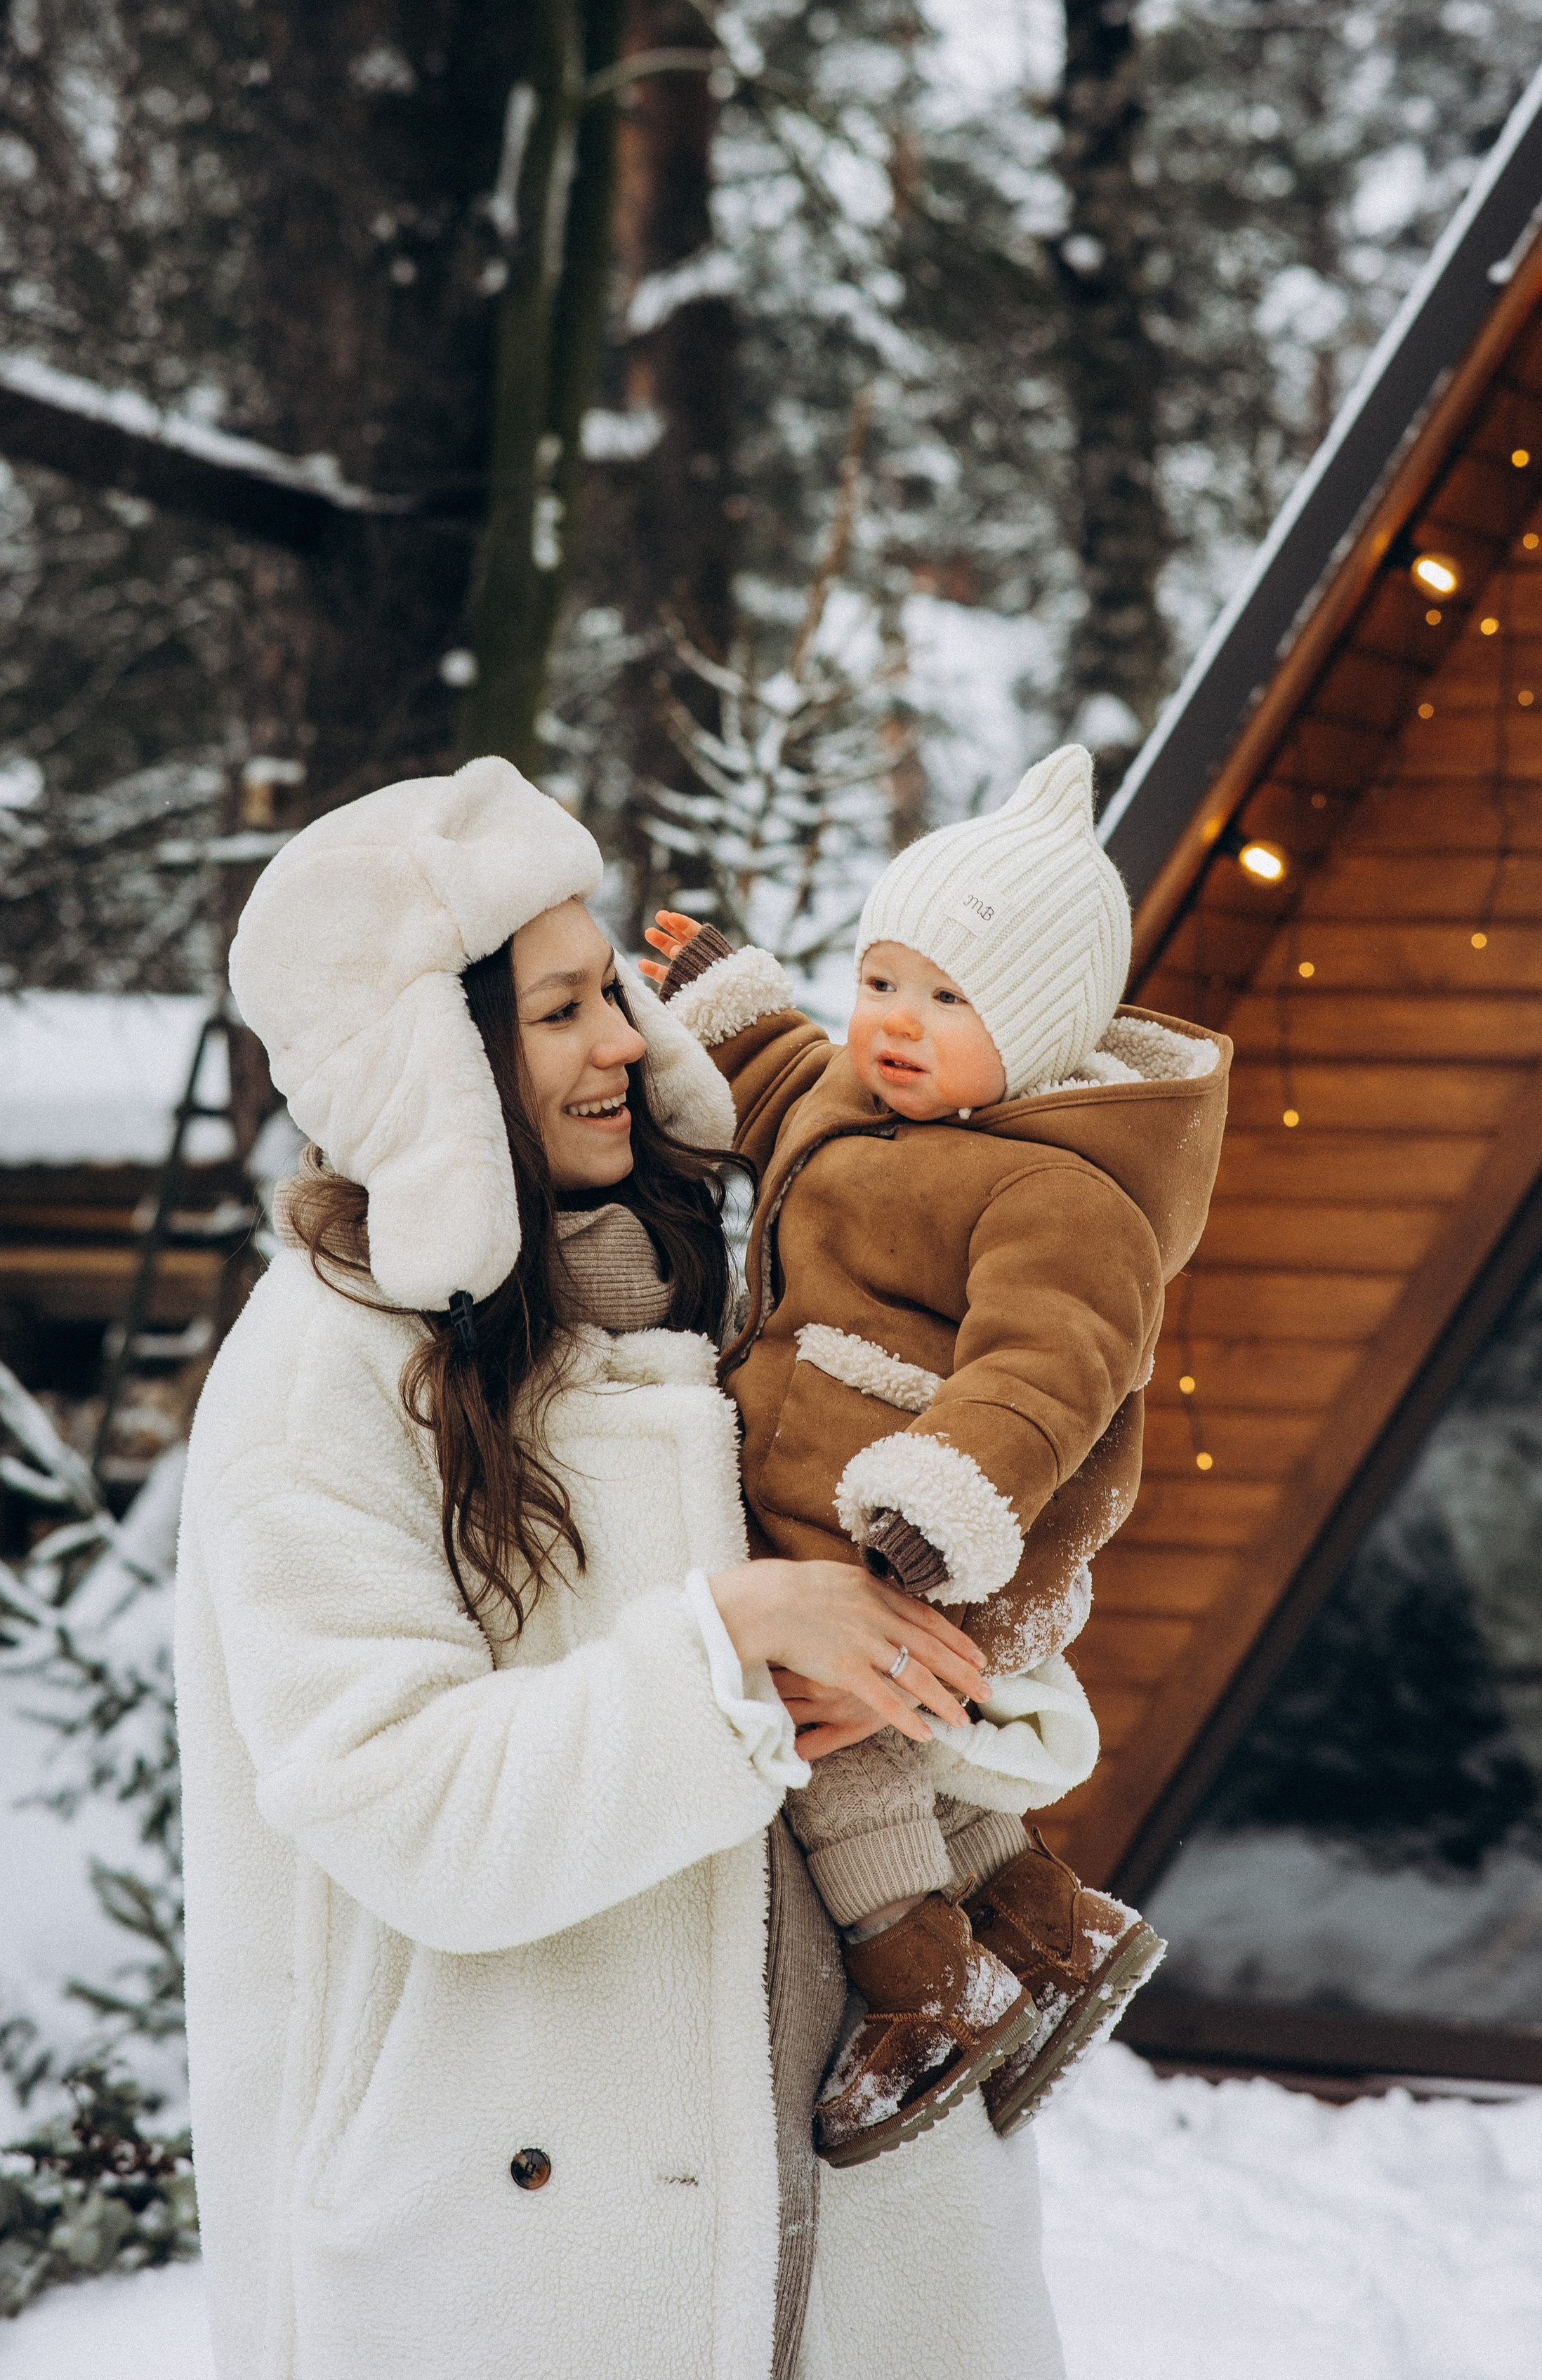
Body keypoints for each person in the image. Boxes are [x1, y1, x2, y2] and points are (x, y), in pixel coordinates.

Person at [176, 755, 1070, 2380]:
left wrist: (966, 1650)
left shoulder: (713, 1286)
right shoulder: (326, 1368)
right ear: (429, 1059)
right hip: (526, 2256)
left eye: (616, 997)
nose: (621, 1040)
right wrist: (726, 1652)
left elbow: (907, 1615)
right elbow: (402, 1802)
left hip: (865, 2216)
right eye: (560, 1009)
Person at [642, 745, 1230, 2164]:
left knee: (839, 1753)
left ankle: (927, 1989)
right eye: (881, 981)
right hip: (821, 1502)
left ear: (1031, 1026)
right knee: (902, 1749)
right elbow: (785, 1076)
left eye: (948, 1000)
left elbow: (1049, 1376)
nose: (895, 1025)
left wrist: (937, 1501)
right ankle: (1047, 1928)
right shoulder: (863, 1092)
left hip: (930, 1517)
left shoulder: (1059, 1191)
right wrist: (729, 1001)